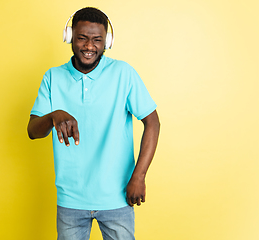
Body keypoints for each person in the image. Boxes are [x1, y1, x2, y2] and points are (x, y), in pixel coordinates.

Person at [27, 7, 160, 240]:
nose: (89, 46)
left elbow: (153, 122)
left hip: (117, 197)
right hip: (71, 198)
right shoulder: (53, 77)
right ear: (70, 37)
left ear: (107, 41)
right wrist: (53, 115)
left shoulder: (123, 73)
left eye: (97, 40)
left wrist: (139, 177)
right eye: (82, 38)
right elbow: (32, 131)